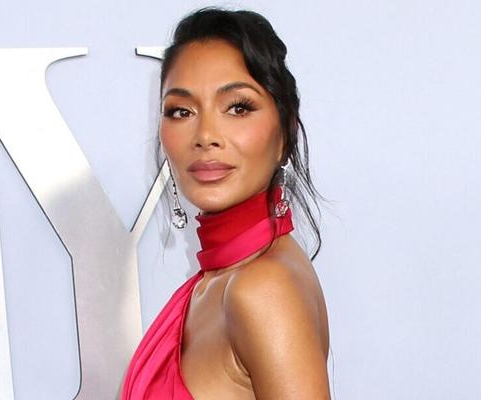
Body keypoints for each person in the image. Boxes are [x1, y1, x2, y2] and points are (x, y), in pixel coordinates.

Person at [122, 7, 330, 399]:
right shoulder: (216, 280)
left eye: (237, 107)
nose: (205, 135)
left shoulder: (263, 288)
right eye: (181, 111)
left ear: (284, 130)